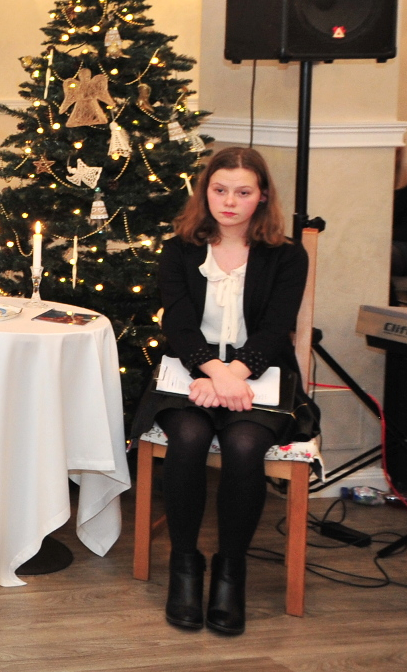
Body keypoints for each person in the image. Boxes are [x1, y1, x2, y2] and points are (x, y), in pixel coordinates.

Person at [133, 147, 315, 636]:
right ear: (205, 192)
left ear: (262, 196)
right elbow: (178, 324)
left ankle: (231, 570)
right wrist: (215, 373)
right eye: (220, 190)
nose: (229, 202)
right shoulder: (179, 249)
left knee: (244, 444)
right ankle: (185, 564)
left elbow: (276, 328)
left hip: (261, 372)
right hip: (189, 370)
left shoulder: (287, 255)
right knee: (189, 437)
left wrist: (235, 375)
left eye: (243, 192)